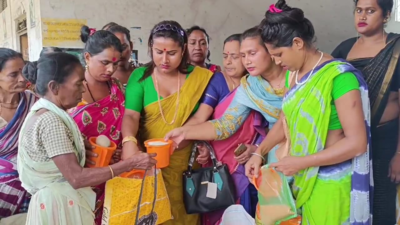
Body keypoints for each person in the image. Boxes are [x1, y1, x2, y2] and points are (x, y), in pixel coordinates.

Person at [245, 1, 372, 224]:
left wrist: (302, 162)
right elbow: (286, 119)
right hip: (300, 180)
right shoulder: (291, 76)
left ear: (297, 43)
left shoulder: (340, 79)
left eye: (278, 54)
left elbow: (357, 143)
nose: (276, 61)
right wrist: (259, 151)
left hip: (331, 184)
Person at [164, 26, 287, 223]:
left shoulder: (298, 77)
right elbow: (224, 125)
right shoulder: (250, 87)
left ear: (271, 51)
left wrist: (257, 150)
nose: (247, 60)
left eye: (251, 54)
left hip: (305, 147)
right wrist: (184, 132)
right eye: (243, 55)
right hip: (273, 155)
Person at [17, 52, 156, 225]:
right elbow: (77, 178)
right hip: (58, 208)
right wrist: (130, 164)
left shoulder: (47, 113)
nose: (83, 89)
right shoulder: (50, 121)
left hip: (57, 202)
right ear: (54, 87)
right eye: (77, 84)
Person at [121, 20, 213, 225]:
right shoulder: (141, 77)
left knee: (184, 216)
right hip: (150, 162)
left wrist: (203, 144)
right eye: (158, 52)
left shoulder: (202, 78)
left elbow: (210, 118)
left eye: (171, 53)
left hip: (187, 164)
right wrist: (128, 141)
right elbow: (131, 116)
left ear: (183, 50)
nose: (164, 59)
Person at [178, 32, 262, 225]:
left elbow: (265, 127)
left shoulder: (256, 85)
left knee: (246, 212)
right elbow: (202, 117)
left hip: (247, 161)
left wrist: (256, 149)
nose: (229, 62)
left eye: (235, 56)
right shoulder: (217, 80)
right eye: (225, 56)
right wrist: (183, 136)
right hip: (218, 161)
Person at [331, 0, 400, 223]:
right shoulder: (344, 48)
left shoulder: (397, 50)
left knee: (381, 205)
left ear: (386, 15)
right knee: (351, 204)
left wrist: (399, 154)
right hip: (349, 141)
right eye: (359, 10)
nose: (362, 16)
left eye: (371, 11)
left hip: (385, 142)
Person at [69, 26, 125, 224]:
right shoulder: (71, 91)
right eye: (104, 63)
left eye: (115, 64)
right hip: (83, 177)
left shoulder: (116, 87)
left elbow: (126, 122)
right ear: (86, 57)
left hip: (116, 175)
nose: (110, 69)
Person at [0, 48, 37, 220]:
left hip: (32, 174)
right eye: (13, 74)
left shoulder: (32, 102)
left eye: (23, 71)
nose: (22, 79)